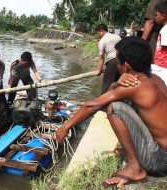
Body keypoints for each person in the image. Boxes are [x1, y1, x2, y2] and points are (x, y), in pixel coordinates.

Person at [56, 37, 167, 187]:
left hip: (159, 161)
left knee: (115, 107)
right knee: (124, 102)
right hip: (163, 151)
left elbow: (92, 105)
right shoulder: (156, 79)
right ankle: (135, 154)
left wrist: (65, 127)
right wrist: (115, 84)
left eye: (117, 61)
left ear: (126, 66)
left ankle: (135, 168)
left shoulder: (136, 85)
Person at [95, 24, 121, 94]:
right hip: (123, 62)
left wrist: (99, 71)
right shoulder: (117, 36)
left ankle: (103, 103)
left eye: (98, 33)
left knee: (106, 86)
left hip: (113, 62)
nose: (98, 35)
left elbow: (101, 58)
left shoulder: (102, 41)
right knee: (118, 85)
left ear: (101, 31)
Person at [151, 1, 167, 85]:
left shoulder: (165, 30)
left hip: (163, 69)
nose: (154, 18)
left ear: (164, 15)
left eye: (156, 15)